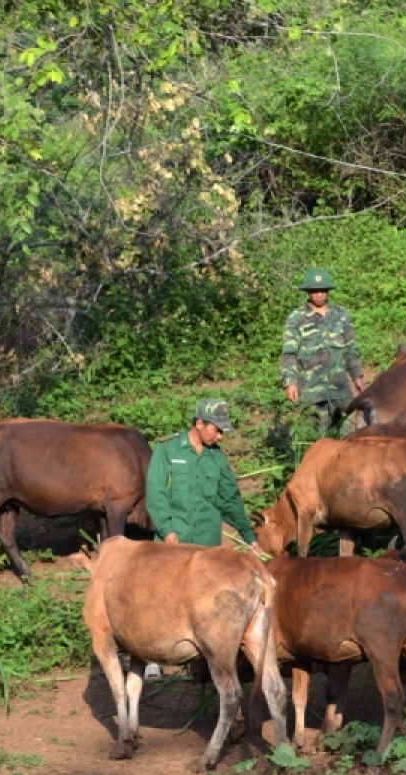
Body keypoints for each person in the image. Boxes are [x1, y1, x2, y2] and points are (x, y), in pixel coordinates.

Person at [143, 399, 263, 679]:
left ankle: (199, 660)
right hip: (174, 542)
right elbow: (156, 493)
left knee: (203, 603)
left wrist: (248, 536)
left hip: (206, 545)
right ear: (199, 424)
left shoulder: (217, 458)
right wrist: (167, 528)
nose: (220, 436)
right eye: (217, 430)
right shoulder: (167, 450)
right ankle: (152, 657)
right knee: (162, 595)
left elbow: (231, 500)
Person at [280, 268, 364, 436]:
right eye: (314, 291)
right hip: (313, 391)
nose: (319, 294)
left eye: (322, 290)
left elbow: (350, 349)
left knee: (348, 437)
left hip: (340, 389)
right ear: (308, 292)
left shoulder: (341, 315)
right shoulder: (297, 318)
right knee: (317, 439)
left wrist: (357, 376)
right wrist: (291, 382)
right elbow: (289, 353)